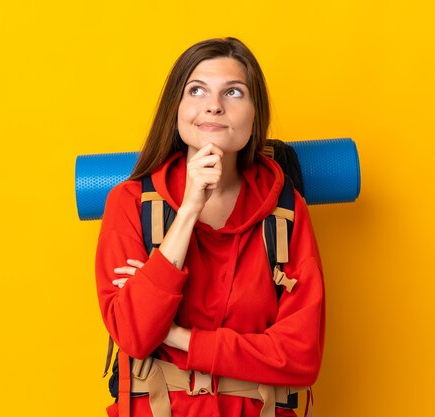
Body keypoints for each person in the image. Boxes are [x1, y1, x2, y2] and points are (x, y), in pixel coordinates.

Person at [95, 37, 325, 417]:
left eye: (234, 92)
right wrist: (189, 209)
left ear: (255, 116)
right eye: (197, 90)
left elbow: (301, 357)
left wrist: (175, 335)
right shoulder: (129, 203)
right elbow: (135, 335)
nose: (214, 105)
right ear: (177, 108)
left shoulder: (287, 211)